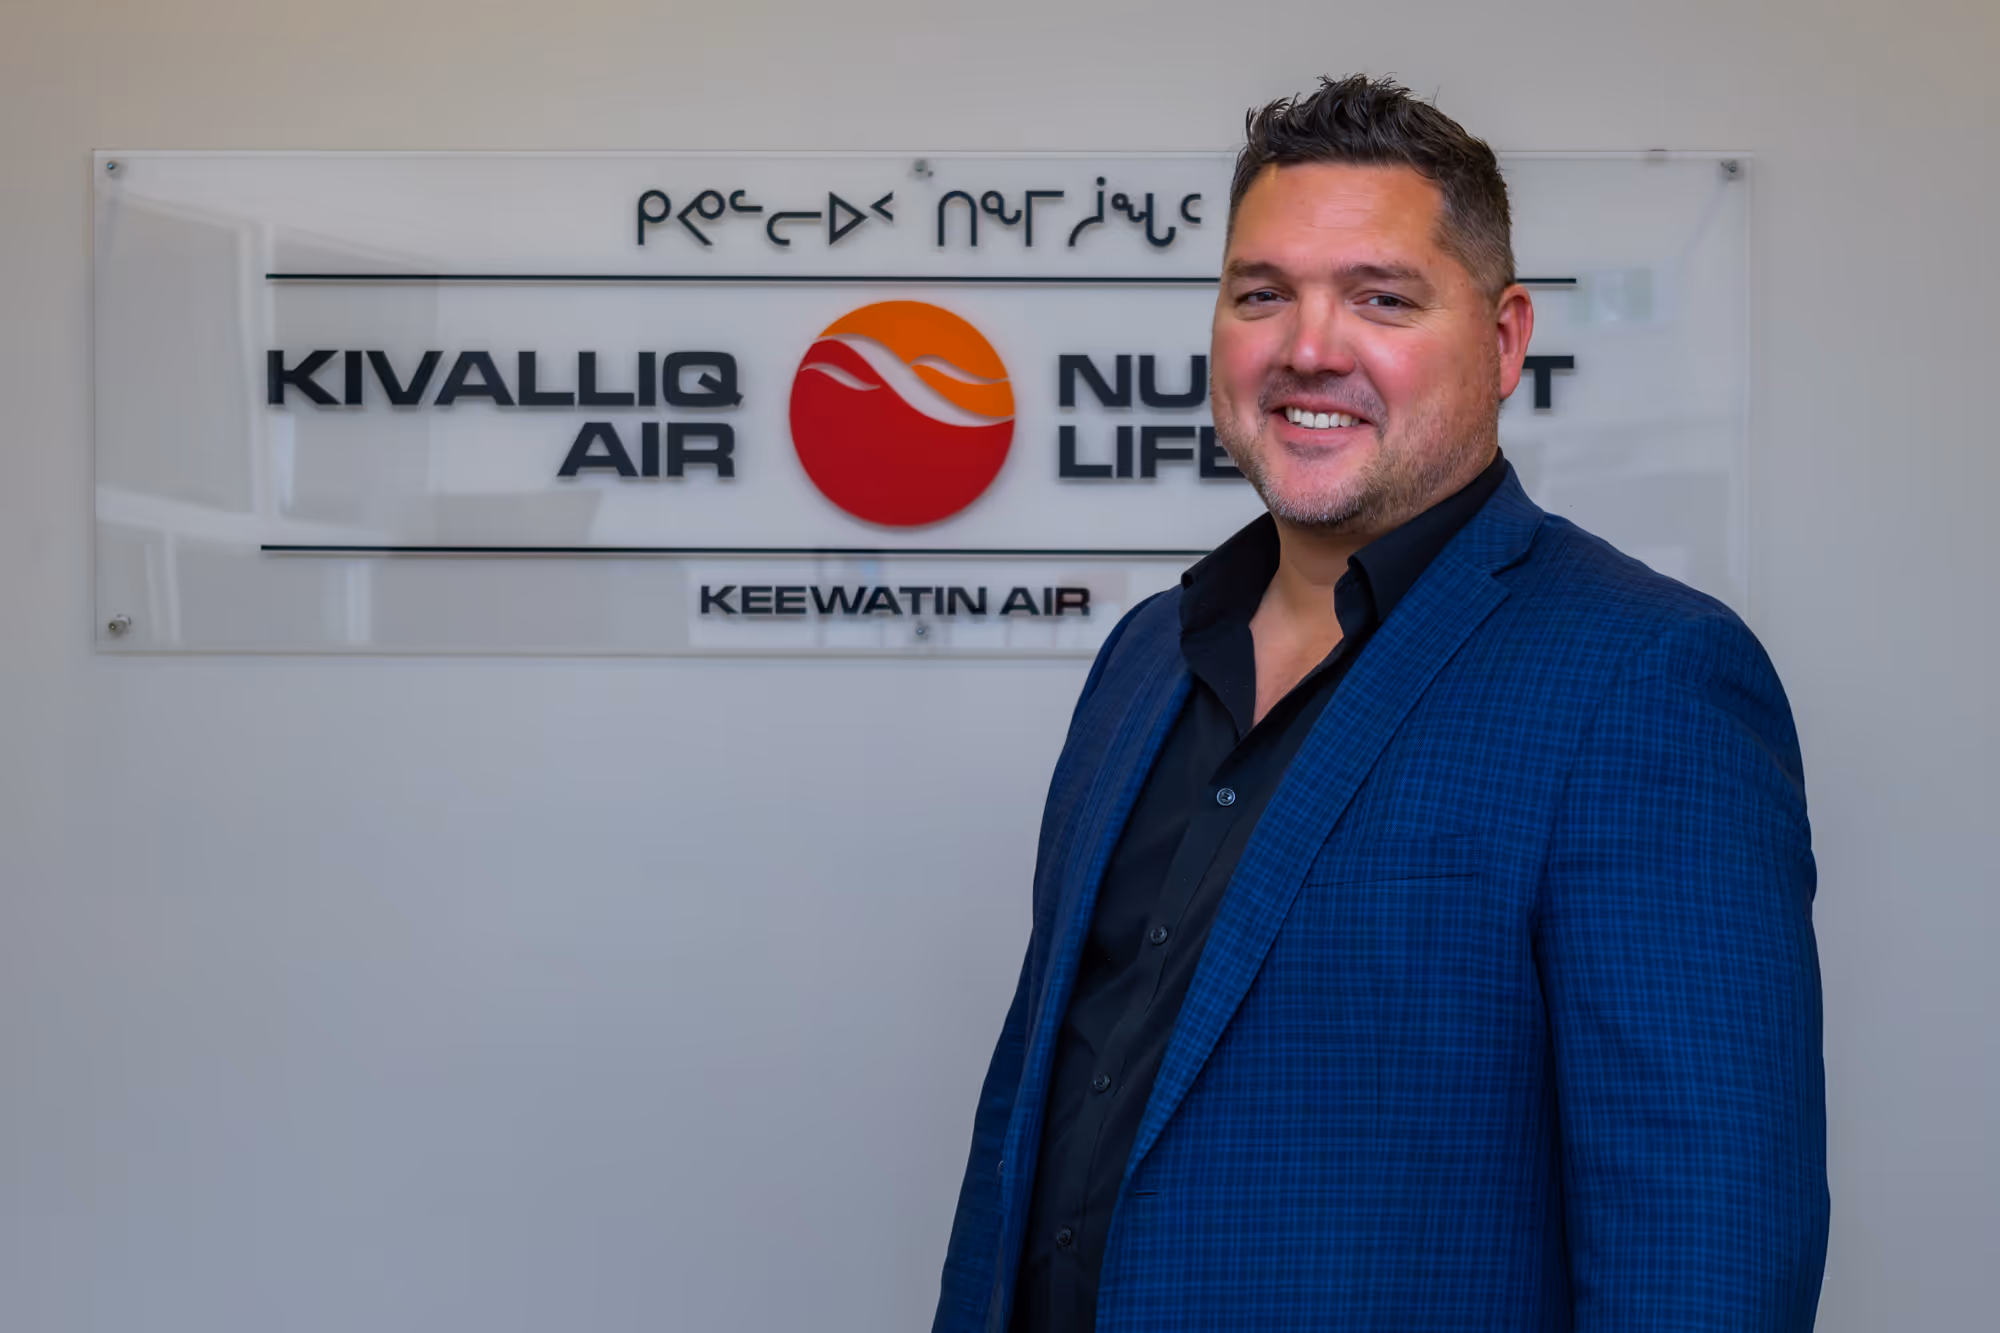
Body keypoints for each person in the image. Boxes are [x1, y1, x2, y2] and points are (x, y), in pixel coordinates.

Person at [933, 75, 1828, 1333]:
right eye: (1261, 294)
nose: (1308, 348)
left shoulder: (1644, 679)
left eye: (1381, 298)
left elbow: (1704, 1258)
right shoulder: (1145, 656)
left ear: (1504, 340)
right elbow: (1028, 1123)